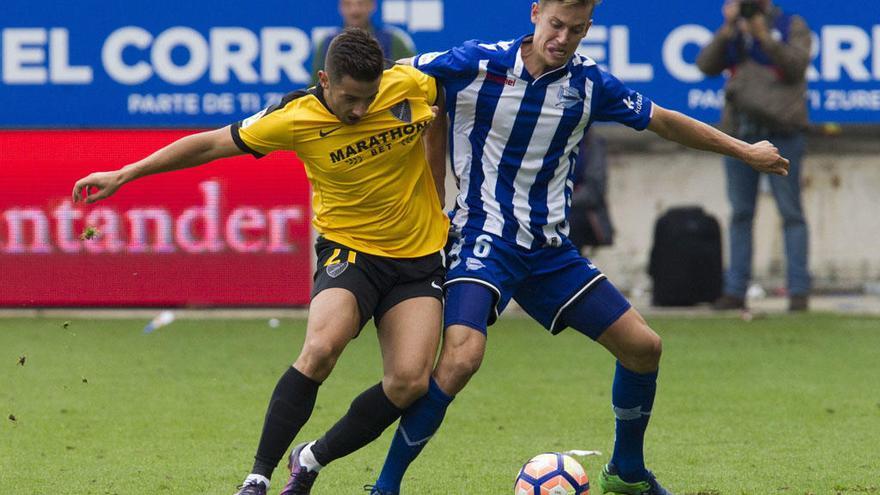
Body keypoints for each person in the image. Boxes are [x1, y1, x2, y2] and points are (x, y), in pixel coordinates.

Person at [363, 1, 791, 494]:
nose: (563, 38)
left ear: (588, 29)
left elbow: (667, 121)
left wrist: (745, 150)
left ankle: (627, 471)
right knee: (461, 358)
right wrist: (324, 104)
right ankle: (386, 485)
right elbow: (393, 79)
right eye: (556, 25)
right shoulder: (476, 62)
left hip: (549, 250)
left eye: (577, 30)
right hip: (483, 239)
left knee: (643, 347)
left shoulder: (590, 84)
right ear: (535, 13)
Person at [71, 28, 450, 495]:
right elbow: (210, 144)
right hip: (350, 251)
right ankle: (258, 477)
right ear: (324, 81)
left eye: (368, 99)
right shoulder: (294, 118)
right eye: (350, 99)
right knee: (321, 349)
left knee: (410, 382)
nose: (359, 111)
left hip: (419, 256)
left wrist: (437, 172)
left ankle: (311, 458)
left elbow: (450, 100)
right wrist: (126, 173)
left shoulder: (413, 82)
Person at [696, 0, 812, 312]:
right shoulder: (736, 30)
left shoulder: (790, 25)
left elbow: (796, 66)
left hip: (783, 131)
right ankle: (736, 290)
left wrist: (764, 36)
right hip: (740, 133)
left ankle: (799, 290)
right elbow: (705, 64)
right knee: (740, 213)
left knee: (791, 212)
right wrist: (727, 29)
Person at [312, 0, 416, 84]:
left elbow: (413, 77)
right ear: (341, 7)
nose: (354, 11)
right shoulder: (327, 43)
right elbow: (315, 84)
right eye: (348, 4)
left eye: (361, 4)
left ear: (372, 5)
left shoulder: (393, 41)